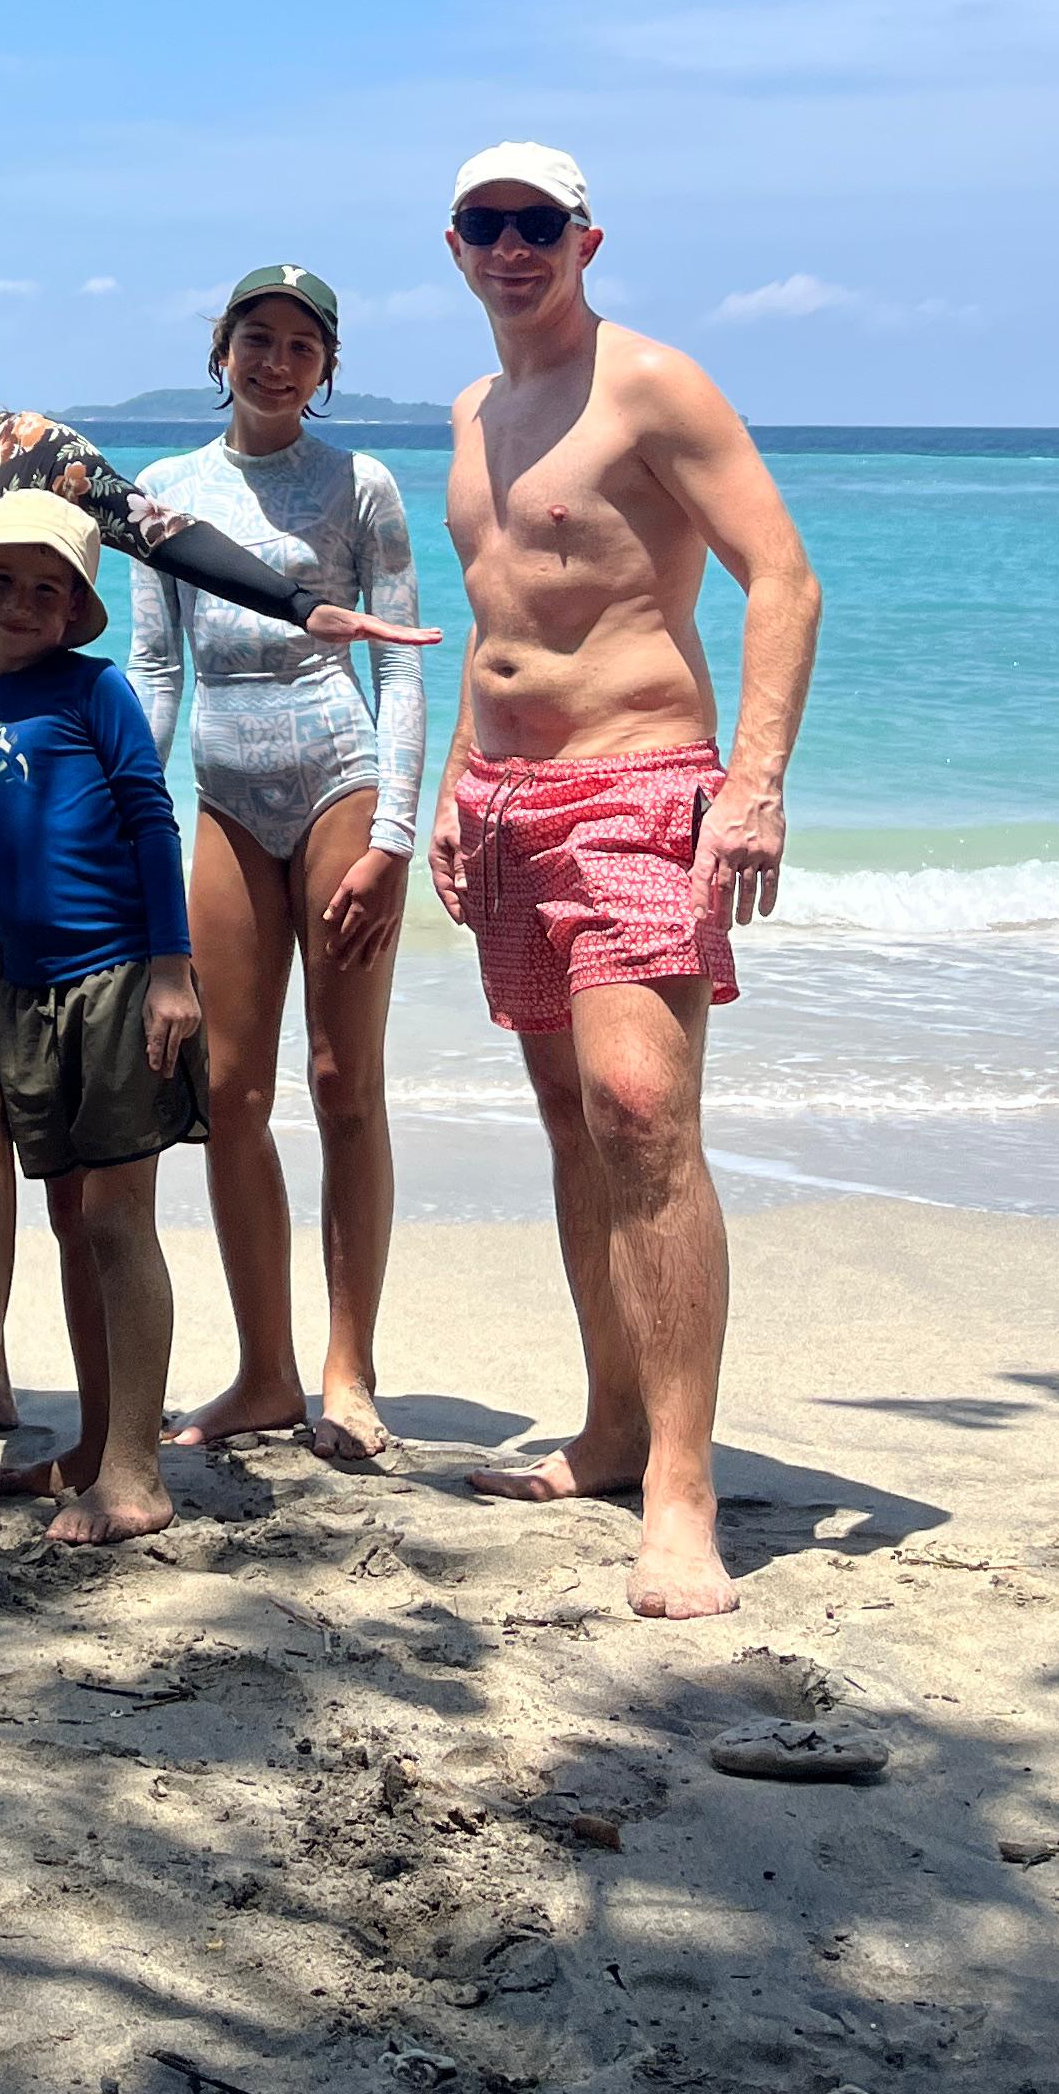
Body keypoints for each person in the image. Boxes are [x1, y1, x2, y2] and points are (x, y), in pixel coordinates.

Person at [0, 263, 435, 1447]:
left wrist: (300, 609)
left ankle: (115, 1429)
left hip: (0, 822)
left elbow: (160, 536)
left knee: (17, 1109)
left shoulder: (37, 455)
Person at [427, 145, 822, 1620]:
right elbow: (494, 623)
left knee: (644, 1115)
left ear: (587, 239)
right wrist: (460, 784)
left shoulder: (651, 383)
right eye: (489, 225)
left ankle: (681, 1485)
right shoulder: (472, 413)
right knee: (569, 1121)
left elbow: (781, 576)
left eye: (541, 226)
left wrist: (757, 783)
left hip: (645, 783)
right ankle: (606, 1427)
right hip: (509, 806)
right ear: (454, 243)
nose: (514, 247)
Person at [133, 266, 429, 1464]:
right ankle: (262, 1374)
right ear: (222, 351)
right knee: (233, 1093)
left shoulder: (362, 485)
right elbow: (157, 669)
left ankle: (347, 1367)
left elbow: (401, 667)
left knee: (343, 1079)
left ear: (327, 367)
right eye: (258, 338)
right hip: (221, 791)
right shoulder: (165, 492)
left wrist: (396, 834)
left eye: (303, 346)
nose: (277, 361)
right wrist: (129, 806)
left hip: (337, 777)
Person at [0, 492, 203, 1546]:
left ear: (74, 608)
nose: (22, 604)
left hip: (116, 980)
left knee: (116, 1220)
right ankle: (94, 1446)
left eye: (48, 589)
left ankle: (134, 1470)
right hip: (25, 994)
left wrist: (171, 970)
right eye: (4, 584)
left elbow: (152, 822)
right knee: (69, 1212)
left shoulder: (96, 693)